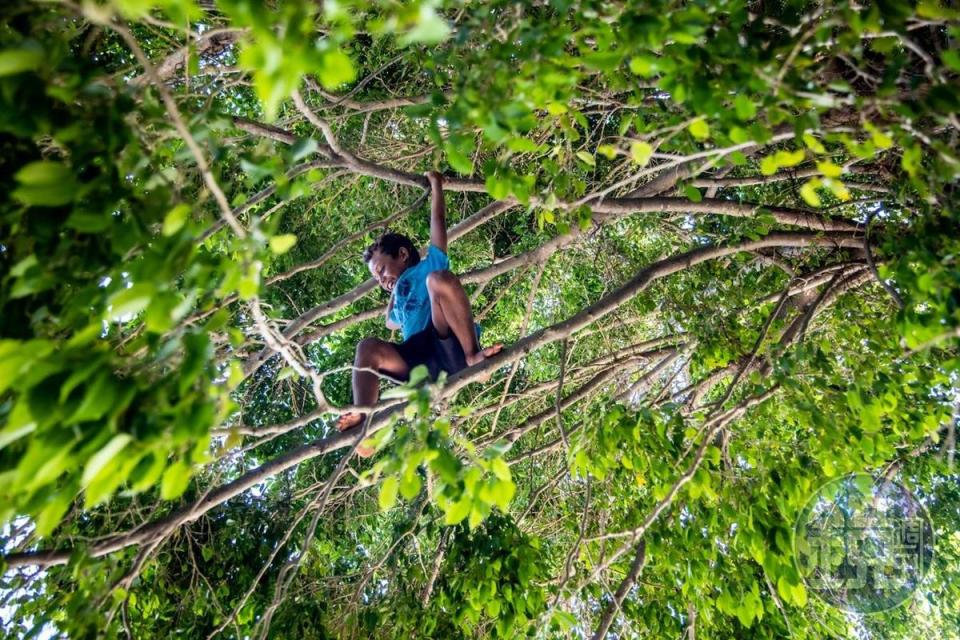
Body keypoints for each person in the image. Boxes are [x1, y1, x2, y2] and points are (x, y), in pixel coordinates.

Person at [336, 171, 503, 453]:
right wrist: (391, 288)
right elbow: (390, 323)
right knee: (367, 346)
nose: (381, 279)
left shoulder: (427, 265)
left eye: (381, 270)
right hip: (417, 361)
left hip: (446, 342)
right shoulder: (398, 298)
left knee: (439, 279)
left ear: (402, 254)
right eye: (376, 279)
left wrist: (437, 185)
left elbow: (438, 223)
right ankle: (365, 419)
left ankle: (474, 354)